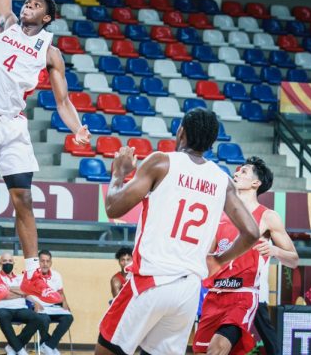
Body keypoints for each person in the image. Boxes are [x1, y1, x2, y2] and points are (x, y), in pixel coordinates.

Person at [0, 0, 90, 306]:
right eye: (28, 2)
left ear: (46, 18)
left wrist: (77, 128)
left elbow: (63, 101)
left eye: (36, 5)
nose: (28, 6)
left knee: (25, 199)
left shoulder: (50, 52)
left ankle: (33, 275)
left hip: (13, 124)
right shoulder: (6, 24)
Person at [95, 108, 260, 355]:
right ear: (212, 142)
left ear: (181, 132)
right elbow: (252, 232)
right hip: (188, 291)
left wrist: (119, 173)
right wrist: (219, 260)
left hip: (151, 280)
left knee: (106, 351)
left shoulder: (161, 162)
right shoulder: (222, 180)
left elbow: (112, 207)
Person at [193, 157, 298, 355]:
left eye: (244, 171)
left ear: (255, 183)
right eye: (238, 171)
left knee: (218, 347)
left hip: (242, 295)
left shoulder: (268, 216)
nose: (236, 173)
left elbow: (294, 259)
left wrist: (275, 251)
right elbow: (209, 255)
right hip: (214, 294)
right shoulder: (220, 213)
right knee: (202, 351)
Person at [0, 253, 48, 355]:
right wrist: (21, 292)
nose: (7, 263)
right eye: (4, 261)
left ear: (14, 263)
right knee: (2, 315)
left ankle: (12, 347)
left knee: (38, 318)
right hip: (2, 308)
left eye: (10, 261)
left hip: (20, 308)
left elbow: (27, 292)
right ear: (0, 263)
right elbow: (3, 295)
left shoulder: (20, 277)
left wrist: (35, 302)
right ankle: (20, 350)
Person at [30, 250, 73, 355]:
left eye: (47, 261)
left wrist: (65, 303)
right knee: (44, 319)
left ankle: (48, 345)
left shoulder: (56, 275)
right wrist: (35, 303)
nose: (45, 264)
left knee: (68, 317)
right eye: (42, 261)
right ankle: (48, 345)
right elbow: (26, 293)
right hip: (38, 308)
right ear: (38, 262)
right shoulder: (31, 275)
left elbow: (60, 292)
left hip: (53, 307)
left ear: (51, 263)